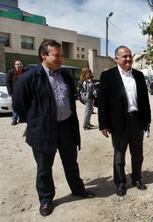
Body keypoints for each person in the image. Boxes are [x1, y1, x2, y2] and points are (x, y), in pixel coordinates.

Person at [12, 40, 95, 217]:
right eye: (56, 55)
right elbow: (19, 104)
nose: (60, 59)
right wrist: (35, 121)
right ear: (44, 55)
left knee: (71, 162)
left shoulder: (64, 76)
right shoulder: (30, 76)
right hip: (44, 130)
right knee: (44, 167)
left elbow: (71, 99)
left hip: (66, 127)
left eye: (61, 55)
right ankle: (46, 199)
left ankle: (78, 189)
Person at [98, 46, 151, 197]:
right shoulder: (107, 76)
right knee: (119, 155)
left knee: (138, 154)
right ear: (116, 59)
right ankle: (120, 183)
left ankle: (137, 178)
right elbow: (102, 102)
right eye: (124, 57)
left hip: (137, 120)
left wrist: (147, 120)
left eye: (129, 56)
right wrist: (103, 124)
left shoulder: (139, 75)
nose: (128, 59)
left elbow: (145, 100)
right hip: (118, 122)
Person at [6, 59, 25, 125]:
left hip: (24, 92)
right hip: (15, 92)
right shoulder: (11, 72)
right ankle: (14, 119)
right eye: (17, 64)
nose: (19, 65)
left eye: (20, 64)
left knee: (23, 105)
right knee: (15, 105)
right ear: (14, 65)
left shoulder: (25, 72)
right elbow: (8, 83)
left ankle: (22, 118)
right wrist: (10, 92)